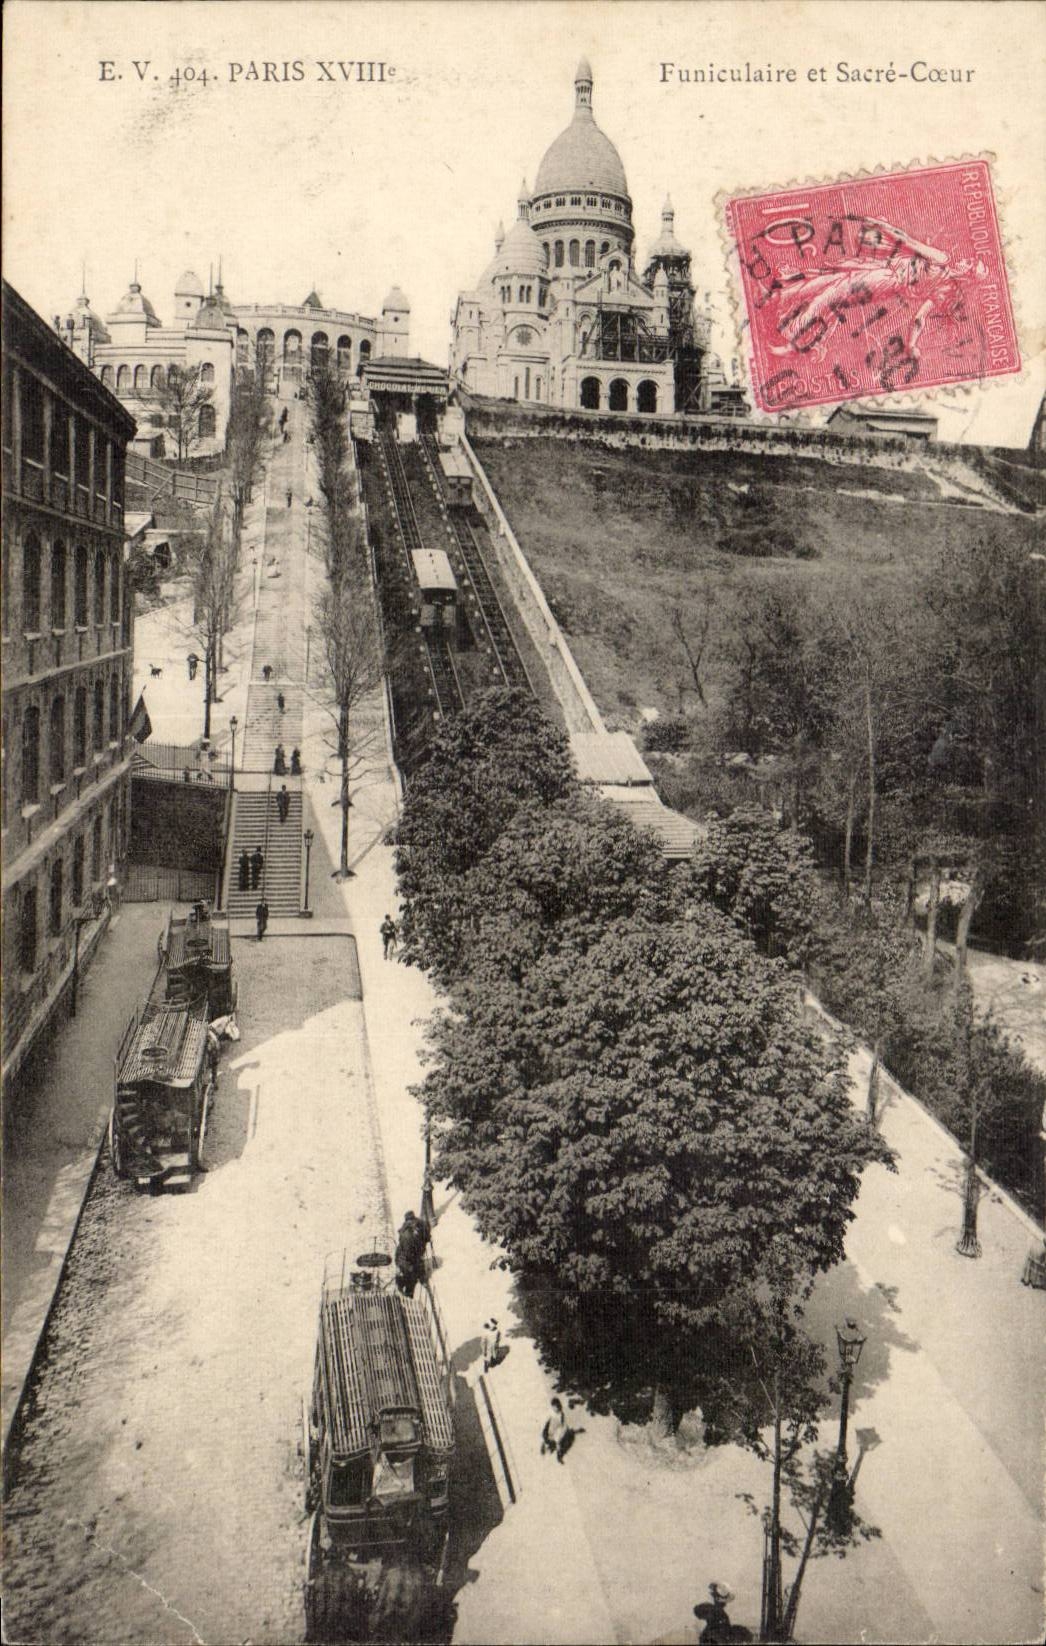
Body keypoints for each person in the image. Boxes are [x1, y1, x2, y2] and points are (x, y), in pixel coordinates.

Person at [395, 1211, 426, 1297]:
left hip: (409, 1257)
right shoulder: (420, 1223)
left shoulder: (407, 1232)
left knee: (407, 1276)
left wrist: (407, 1264)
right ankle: (406, 1289)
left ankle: (405, 1291)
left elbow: (406, 1252)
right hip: (414, 1253)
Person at [541, 1397, 570, 1463]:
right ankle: (545, 1444)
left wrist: (563, 1429)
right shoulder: (551, 1413)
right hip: (550, 1429)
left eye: (557, 1406)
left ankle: (559, 1455)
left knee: (558, 1442)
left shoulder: (561, 1414)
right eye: (554, 1407)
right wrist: (545, 1427)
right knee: (545, 1437)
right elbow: (546, 1421)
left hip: (556, 1429)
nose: (556, 1408)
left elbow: (563, 1424)